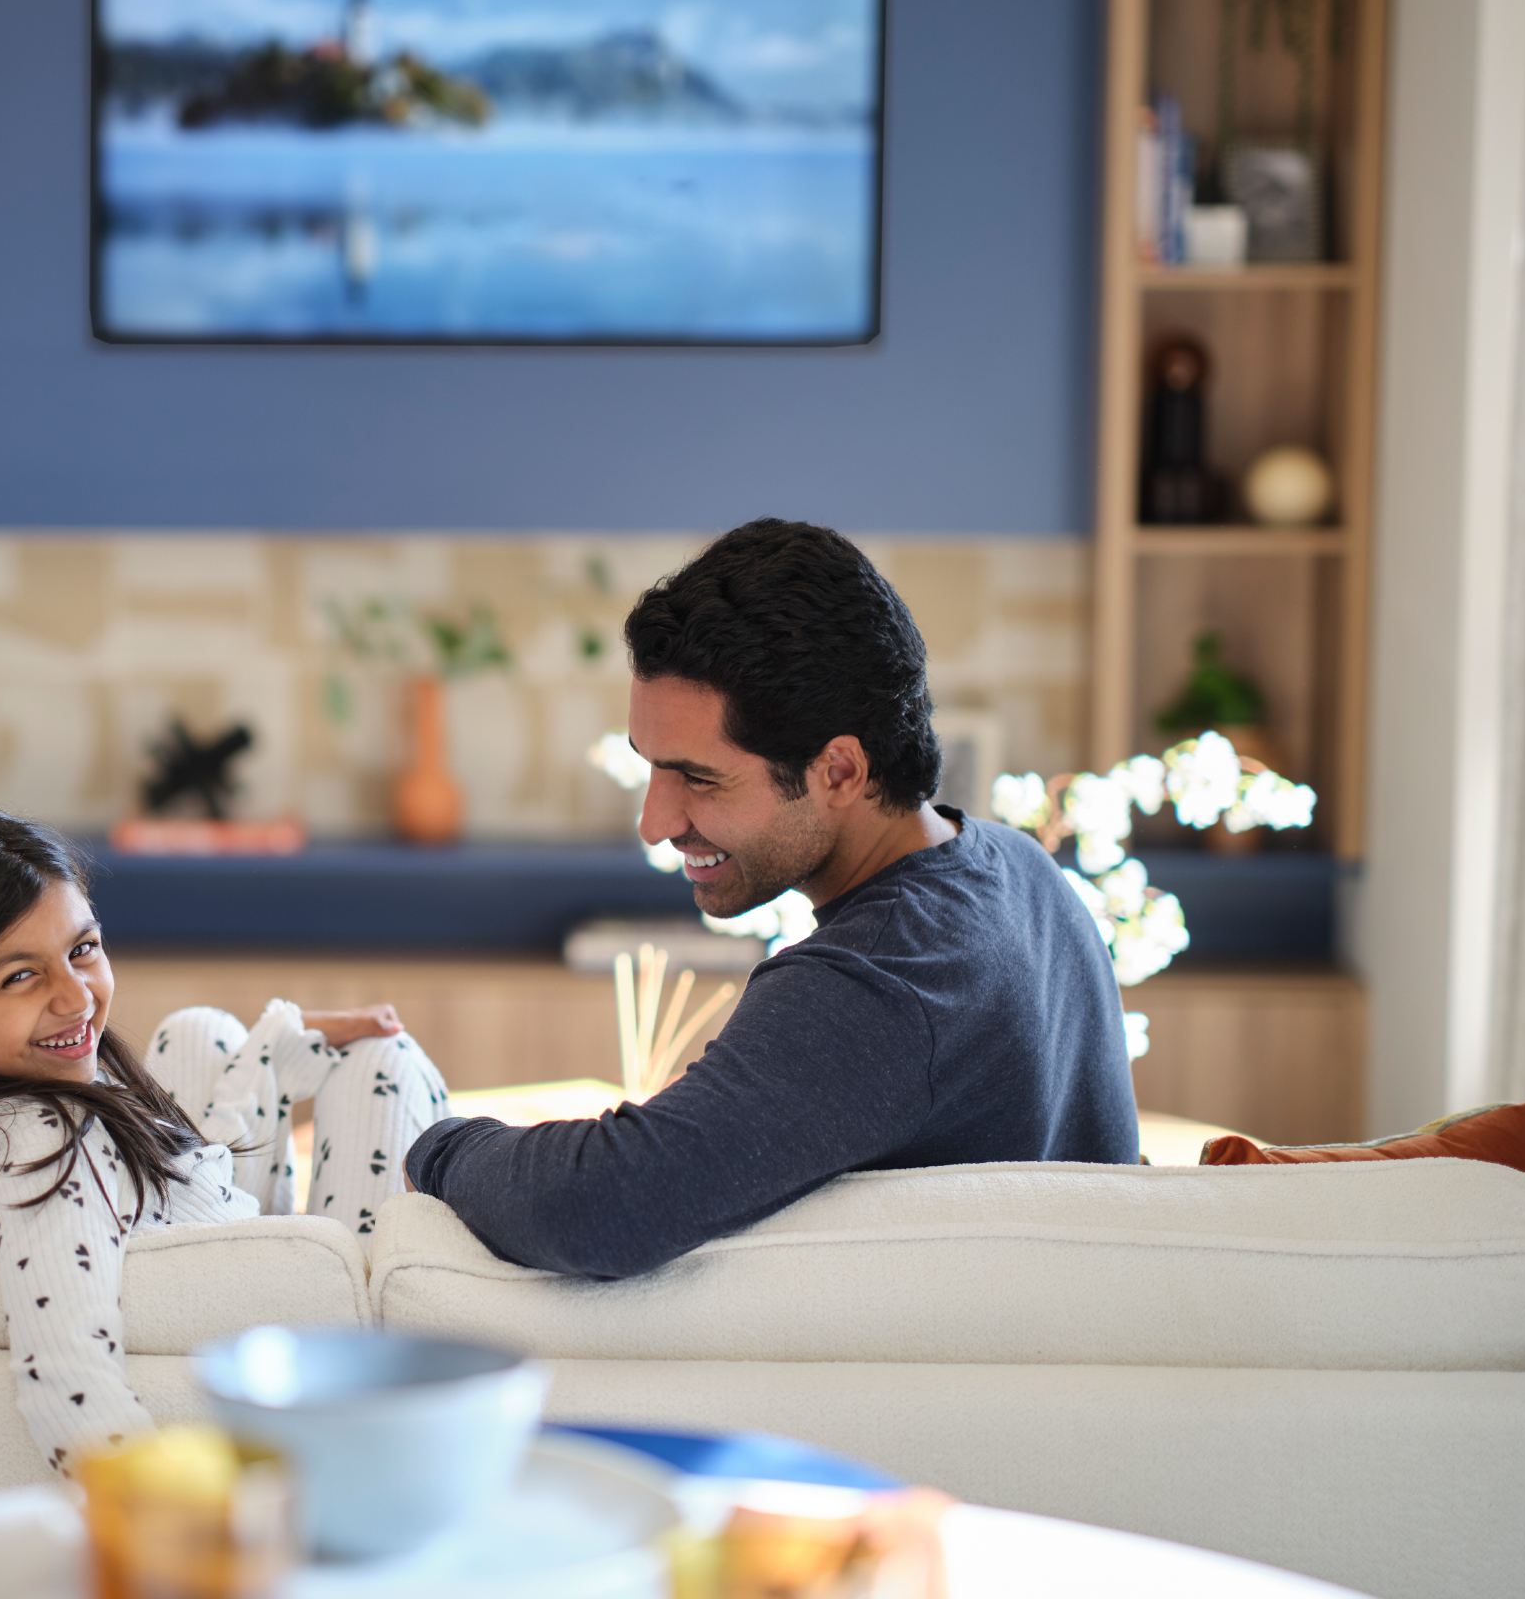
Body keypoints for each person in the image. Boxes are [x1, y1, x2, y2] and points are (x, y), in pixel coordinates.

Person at [405, 519, 1139, 1278]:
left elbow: (598, 1205)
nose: (655, 822)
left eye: (697, 777)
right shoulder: (1015, 865)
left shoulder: (882, 982)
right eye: (650, 769)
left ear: (842, 772)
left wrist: (432, 1143)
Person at [0, 805, 448, 1476]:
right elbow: (68, 1379)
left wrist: (272, 1051)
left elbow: (181, 1182)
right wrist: (177, 1532)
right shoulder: (43, 1139)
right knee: (386, 1061)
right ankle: (431, 1382)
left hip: (225, 1234)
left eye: (82, 949)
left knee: (198, 1031)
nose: (76, 998)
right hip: (323, 1336)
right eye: (20, 976)